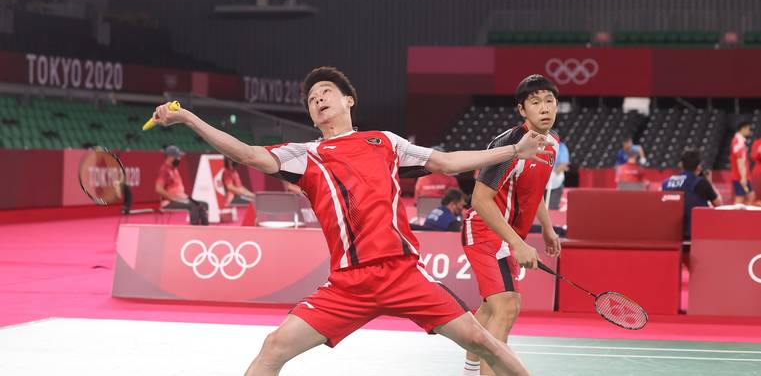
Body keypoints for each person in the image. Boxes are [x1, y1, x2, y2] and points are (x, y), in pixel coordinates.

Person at [151, 66, 550, 376]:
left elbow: (446, 162)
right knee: (274, 347)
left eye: (326, 92)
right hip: (347, 284)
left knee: (483, 342)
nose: (318, 99)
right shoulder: (304, 154)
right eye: (311, 98)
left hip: (403, 274)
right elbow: (247, 154)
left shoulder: (385, 142)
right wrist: (188, 119)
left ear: (349, 101)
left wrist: (513, 151)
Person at [460, 75, 562, 376]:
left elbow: (534, 192)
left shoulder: (552, 143)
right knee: (507, 305)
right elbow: (480, 199)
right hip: (484, 230)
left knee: (492, 310)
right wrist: (517, 243)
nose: (544, 108)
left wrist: (547, 227)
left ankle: (469, 371)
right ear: (522, 110)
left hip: (507, 237)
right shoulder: (509, 146)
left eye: (549, 101)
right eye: (535, 102)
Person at [662, 147, 722, 243]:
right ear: (698, 166)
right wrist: (710, 183)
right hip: (695, 236)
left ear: (681, 164)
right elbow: (718, 204)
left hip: (671, 235)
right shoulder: (701, 183)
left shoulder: (666, 183)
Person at [154, 145, 209, 225]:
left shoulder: (174, 169)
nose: (179, 159)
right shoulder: (164, 170)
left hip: (181, 199)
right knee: (193, 206)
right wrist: (171, 198)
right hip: (169, 202)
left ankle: (205, 229)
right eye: (177, 156)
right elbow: (158, 189)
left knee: (203, 205)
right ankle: (195, 230)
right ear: (170, 157)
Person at [731, 121, 757, 205]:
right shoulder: (738, 142)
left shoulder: (740, 140)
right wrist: (743, 177)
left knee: (751, 196)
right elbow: (740, 160)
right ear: (743, 128)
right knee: (739, 199)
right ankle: (733, 217)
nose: (749, 131)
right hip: (739, 177)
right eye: (748, 129)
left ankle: (746, 216)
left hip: (744, 176)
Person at [545, 140, 569, 210]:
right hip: (541, 181)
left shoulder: (561, 147)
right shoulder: (541, 144)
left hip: (555, 181)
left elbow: (563, 164)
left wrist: (553, 173)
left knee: (552, 207)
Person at [751, 136, 761, 201]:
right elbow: (753, 156)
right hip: (758, 174)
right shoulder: (757, 143)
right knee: (758, 198)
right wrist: (759, 152)